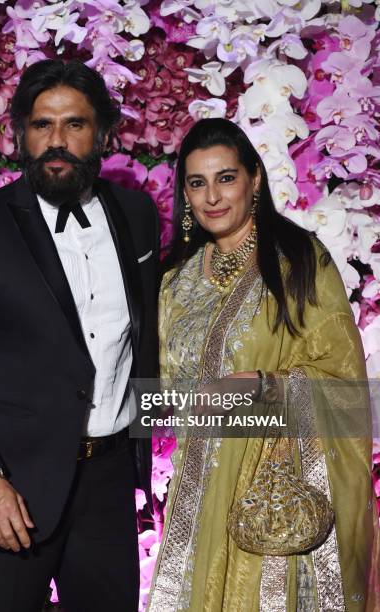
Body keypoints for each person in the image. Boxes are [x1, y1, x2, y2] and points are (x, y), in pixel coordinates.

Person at [0, 59, 160, 612]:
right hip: (13, 487)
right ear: (20, 133)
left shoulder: (137, 214)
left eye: (74, 124)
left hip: (110, 482)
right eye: (41, 125)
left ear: (102, 133)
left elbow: (146, 336)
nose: (57, 141)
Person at [147, 118, 379, 611]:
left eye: (226, 177)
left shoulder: (298, 259)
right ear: (185, 195)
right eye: (197, 182)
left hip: (274, 491)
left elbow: (344, 380)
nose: (212, 196)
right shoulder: (176, 281)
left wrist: (269, 387)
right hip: (198, 494)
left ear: (254, 179)